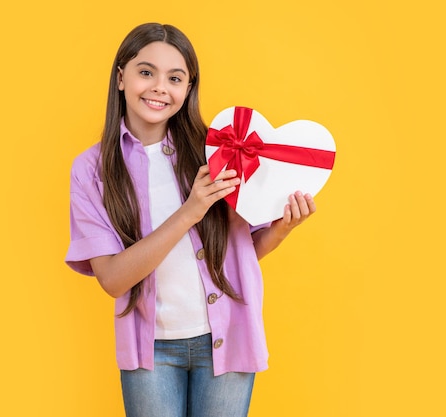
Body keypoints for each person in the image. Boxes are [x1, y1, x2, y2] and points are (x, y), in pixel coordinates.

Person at [65, 22, 316, 417]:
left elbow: (240, 253)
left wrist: (282, 229)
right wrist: (189, 211)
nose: (159, 87)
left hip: (228, 338)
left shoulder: (216, 151)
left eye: (175, 77)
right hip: (151, 352)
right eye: (146, 72)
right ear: (120, 78)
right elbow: (112, 280)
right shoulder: (91, 170)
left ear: (188, 87)